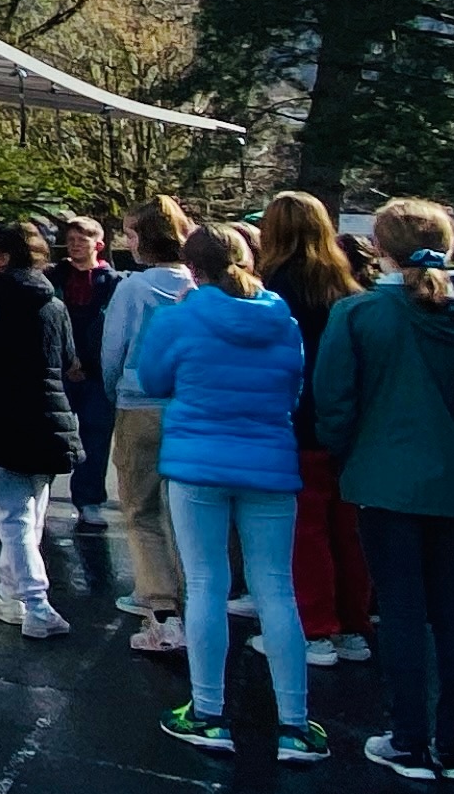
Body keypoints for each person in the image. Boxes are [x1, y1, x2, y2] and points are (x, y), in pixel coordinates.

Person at [312, 197, 454, 782]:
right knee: (450, 611)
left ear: (380, 247)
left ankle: (409, 736)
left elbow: (333, 403)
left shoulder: (360, 314)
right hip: (451, 484)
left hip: (384, 480)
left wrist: (359, 455)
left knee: (399, 610)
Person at [127, 223, 322, 760]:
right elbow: (294, 386)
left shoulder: (177, 318)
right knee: (276, 590)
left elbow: (152, 381)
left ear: (194, 267)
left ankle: (208, 712)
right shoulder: (281, 319)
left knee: (206, 583)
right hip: (269, 462)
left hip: (197, 463)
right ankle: (296, 724)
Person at [255, 191, 373, 668]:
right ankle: (353, 625)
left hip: (294, 422)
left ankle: (315, 627)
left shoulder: (273, 288)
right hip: (346, 424)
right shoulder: (347, 286)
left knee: (303, 533)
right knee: (346, 529)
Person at [101, 197, 201, 653]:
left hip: (138, 401)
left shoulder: (132, 288)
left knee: (139, 511)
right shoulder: (200, 286)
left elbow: (113, 350)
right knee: (185, 510)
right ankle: (191, 595)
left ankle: (159, 603)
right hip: (188, 405)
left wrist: (111, 394)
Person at [0, 219, 81, 639]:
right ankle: (9, 590)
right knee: (33, 510)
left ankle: (35, 603)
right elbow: (70, 360)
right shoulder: (52, 301)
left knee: (13, 513)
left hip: (4, 411)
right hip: (51, 412)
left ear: (1, 258)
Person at [55, 215, 119, 522]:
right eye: (71, 240)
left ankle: (90, 499)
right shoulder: (55, 277)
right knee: (55, 434)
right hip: (61, 368)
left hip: (96, 370)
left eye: (82, 240)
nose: (75, 246)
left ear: (99, 244)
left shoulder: (114, 283)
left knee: (96, 435)